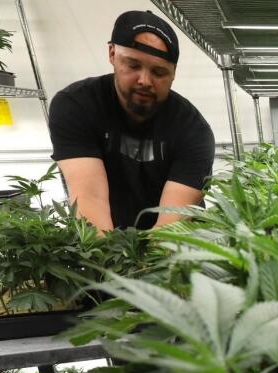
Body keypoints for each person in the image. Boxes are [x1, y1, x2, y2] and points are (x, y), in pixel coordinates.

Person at [49, 10, 215, 232]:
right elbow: (90, 201)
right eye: (133, 65)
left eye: (158, 72)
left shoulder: (193, 129)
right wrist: (109, 261)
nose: (144, 81)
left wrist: (150, 265)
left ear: (174, 73)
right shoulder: (77, 106)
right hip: (111, 237)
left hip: (174, 243)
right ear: (112, 54)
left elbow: (172, 224)